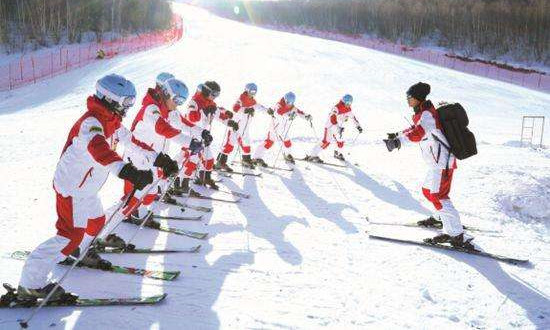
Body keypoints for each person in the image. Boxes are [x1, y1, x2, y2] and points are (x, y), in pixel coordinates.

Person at [17, 74, 164, 301]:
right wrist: (128, 172)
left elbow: (131, 141)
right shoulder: (91, 123)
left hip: (87, 188)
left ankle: (81, 252)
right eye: (126, 102)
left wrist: (158, 158)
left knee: (96, 222)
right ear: (110, 98)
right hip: (73, 188)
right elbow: (100, 151)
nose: (128, 107)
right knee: (69, 236)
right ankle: (31, 283)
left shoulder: (112, 121)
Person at [383, 82, 473, 249]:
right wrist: (397, 135)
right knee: (428, 191)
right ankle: (440, 218)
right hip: (435, 163)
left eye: (409, 97)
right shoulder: (423, 113)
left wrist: (398, 142)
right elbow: (413, 128)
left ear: (417, 98)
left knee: (440, 196)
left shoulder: (427, 115)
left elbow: (418, 133)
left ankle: (456, 235)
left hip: (442, 162)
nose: (407, 100)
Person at [123, 73, 197, 221]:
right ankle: (124, 215)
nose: (178, 104)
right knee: (136, 191)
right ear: (166, 93)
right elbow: (162, 128)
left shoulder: (169, 110)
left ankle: (139, 213)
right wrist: (189, 142)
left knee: (151, 190)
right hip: (137, 155)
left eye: (182, 101)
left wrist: (201, 133)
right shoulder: (151, 109)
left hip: (152, 156)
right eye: (176, 99)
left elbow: (182, 124)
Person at [175, 81, 235, 192]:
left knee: (209, 160)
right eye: (213, 94)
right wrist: (203, 111)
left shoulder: (211, 103)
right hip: (193, 137)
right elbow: (191, 118)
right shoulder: (195, 102)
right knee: (192, 161)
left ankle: (204, 178)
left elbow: (219, 115)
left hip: (204, 137)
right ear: (207, 91)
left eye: (217, 95)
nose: (215, 97)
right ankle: (183, 183)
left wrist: (229, 122)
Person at [215, 83, 269, 171]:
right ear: (247, 90)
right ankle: (220, 163)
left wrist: (268, 111)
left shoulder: (252, 101)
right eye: (251, 91)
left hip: (245, 128)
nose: (253, 93)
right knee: (229, 145)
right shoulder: (241, 99)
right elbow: (235, 108)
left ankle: (246, 160)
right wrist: (246, 109)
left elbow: (259, 107)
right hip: (236, 126)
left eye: (255, 92)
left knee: (246, 143)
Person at [252, 92, 312, 166]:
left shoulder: (291, 107)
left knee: (288, 143)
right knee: (269, 143)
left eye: (291, 102)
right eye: (288, 102)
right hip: (275, 129)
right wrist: (289, 116)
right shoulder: (278, 106)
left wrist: (306, 116)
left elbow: (299, 112)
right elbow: (278, 113)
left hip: (283, 130)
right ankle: (256, 157)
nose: (289, 104)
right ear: (285, 99)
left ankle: (287, 155)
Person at [305, 94, 362, 163]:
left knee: (340, 141)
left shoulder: (348, 109)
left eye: (350, 103)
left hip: (337, 128)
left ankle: (337, 153)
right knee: (326, 142)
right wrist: (338, 127)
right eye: (347, 103)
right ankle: (312, 155)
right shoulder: (337, 107)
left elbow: (353, 118)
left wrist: (358, 126)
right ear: (344, 101)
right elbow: (332, 119)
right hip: (330, 126)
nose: (348, 104)